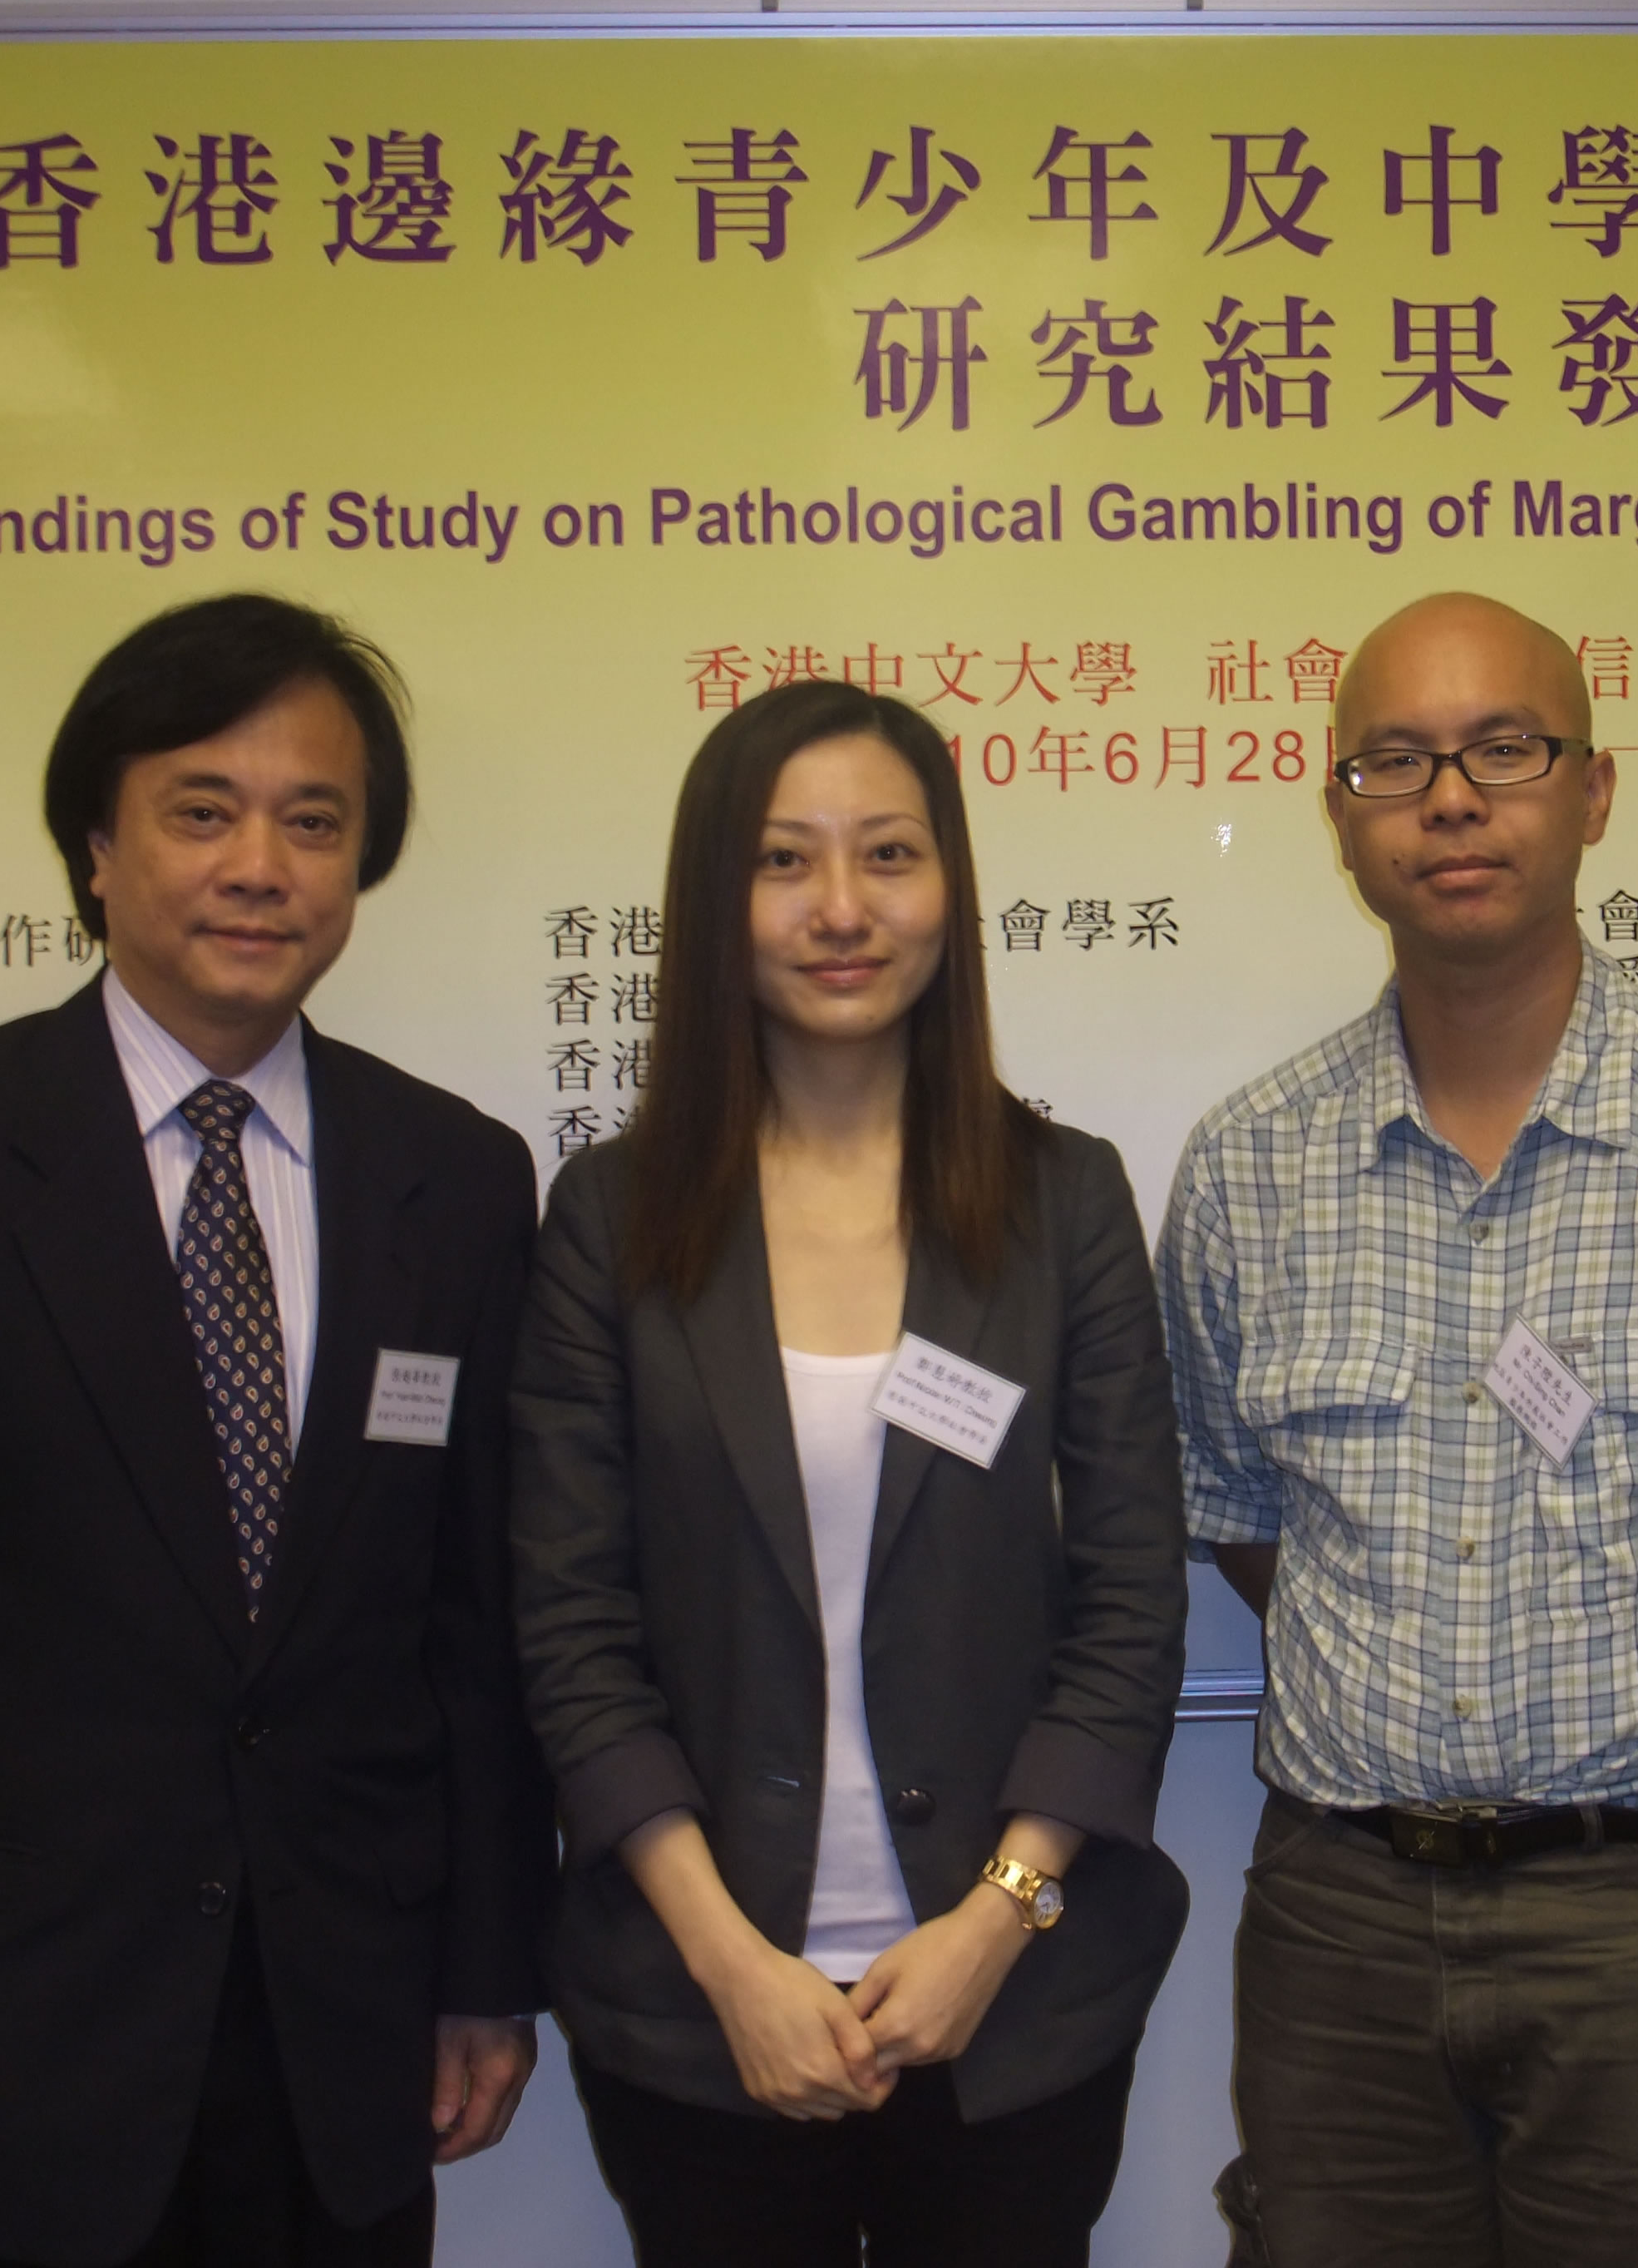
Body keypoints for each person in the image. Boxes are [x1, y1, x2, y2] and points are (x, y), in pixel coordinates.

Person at [0, 594, 551, 2268]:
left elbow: (473, 1627)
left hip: (350, 2046)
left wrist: (485, 1968)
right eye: (202, 809)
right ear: (95, 849)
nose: (260, 864)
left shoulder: (454, 1179)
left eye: (312, 822)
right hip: (15, 2053)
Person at [1161, 591, 1638, 2268]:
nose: (1451, 798)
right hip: (1338, 1925)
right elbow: (1241, 1514)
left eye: (1503, 749)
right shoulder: (1244, 1169)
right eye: (1395, 762)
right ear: (1339, 818)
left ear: (1591, 791)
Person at [508, 679, 1189, 2268]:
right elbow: (570, 1623)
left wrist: (993, 1923)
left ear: (948, 887)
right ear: (712, 900)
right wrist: (733, 1965)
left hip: (1013, 2011)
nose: (840, 909)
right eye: (782, 861)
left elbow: (1130, 1595)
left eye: (887, 855)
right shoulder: (611, 1222)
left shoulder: (1061, 1202)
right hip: (699, 2015)